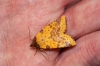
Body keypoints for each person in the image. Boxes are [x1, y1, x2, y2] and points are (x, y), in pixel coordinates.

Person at [0, 0, 100, 66]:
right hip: (50, 34)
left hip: (50, 41)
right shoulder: (38, 37)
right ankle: (63, 31)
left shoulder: (40, 43)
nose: (31, 45)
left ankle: (64, 34)